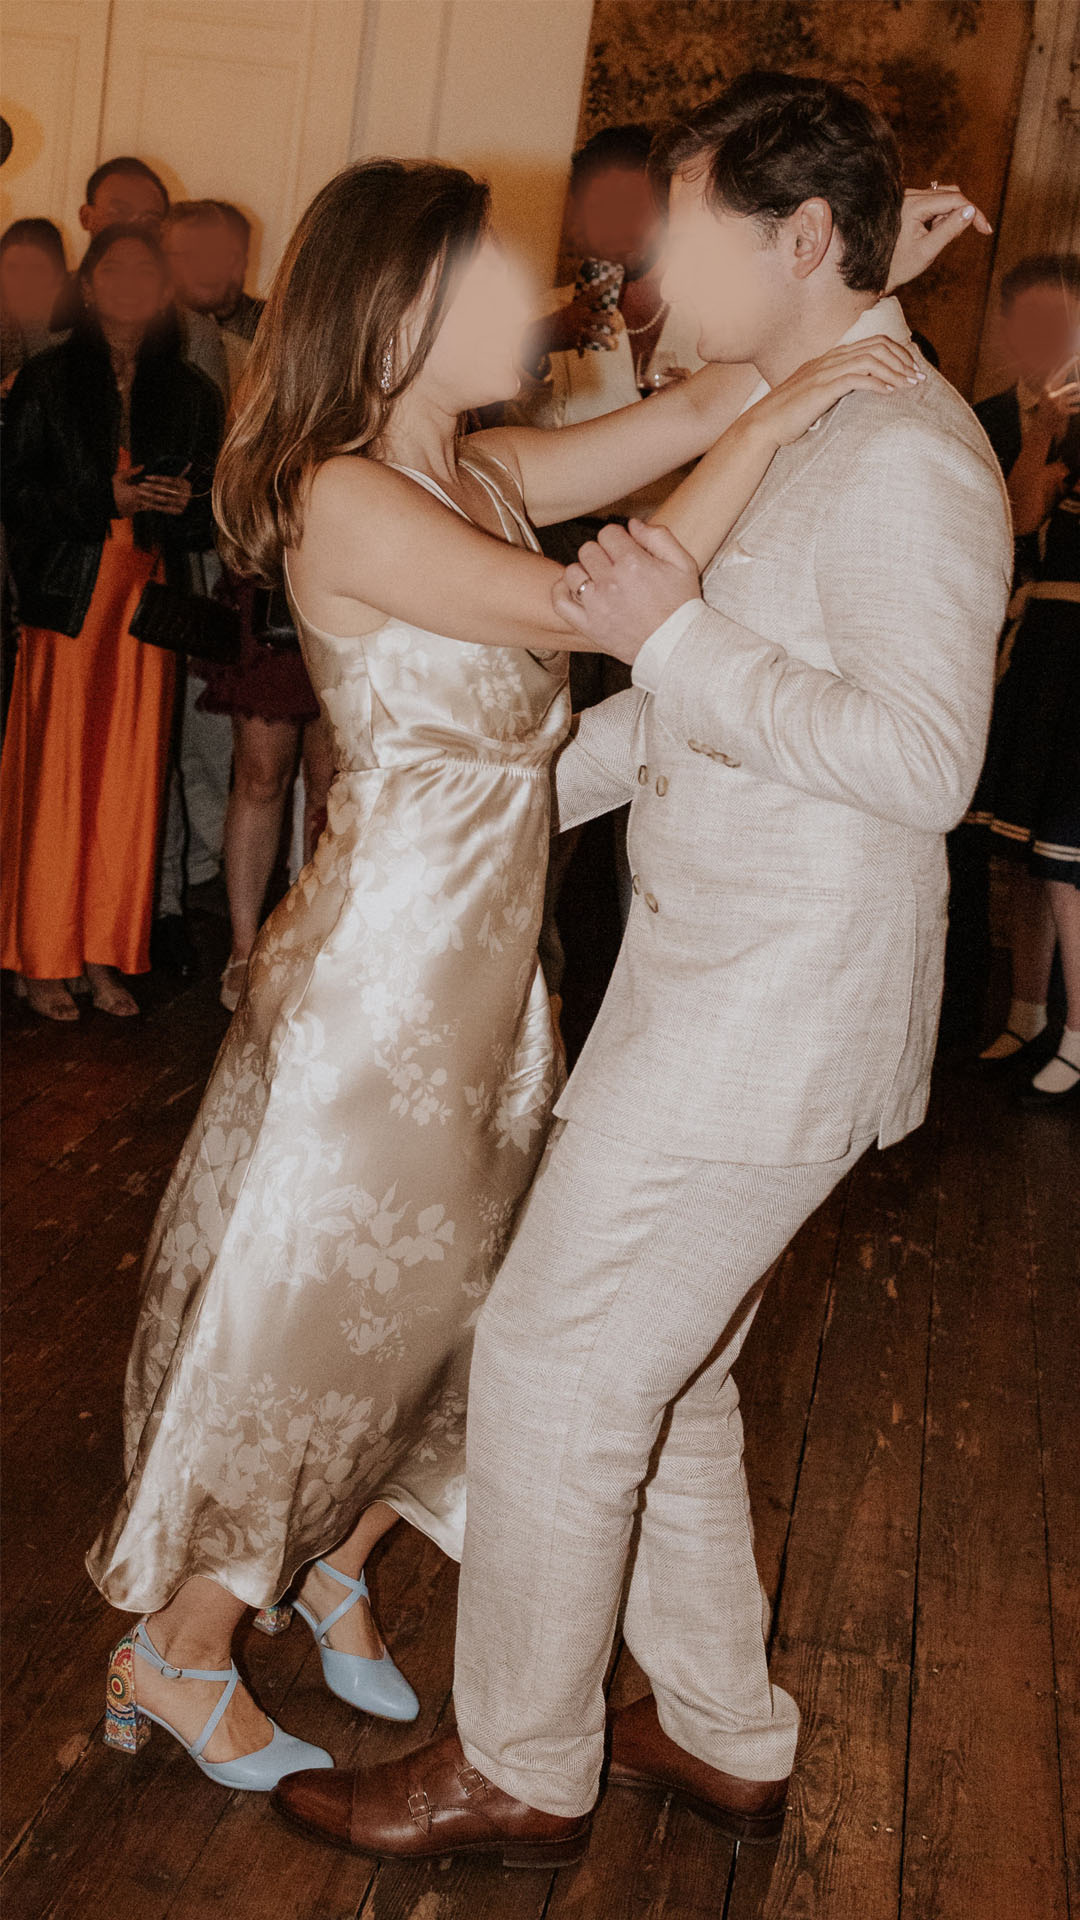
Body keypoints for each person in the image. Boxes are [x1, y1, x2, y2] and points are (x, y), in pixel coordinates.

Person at [84, 153, 924, 1794]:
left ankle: (329, 1566)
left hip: (484, 986)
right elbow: (593, 603)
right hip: (381, 995)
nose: (527, 301)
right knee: (318, 1326)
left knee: (471, 1309)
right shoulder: (344, 494)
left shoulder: (474, 469)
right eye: (484, 278)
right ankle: (175, 1650)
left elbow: (705, 406)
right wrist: (781, 407)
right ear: (396, 308)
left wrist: (864, 290)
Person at [274, 76, 1009, 1867]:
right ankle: (722, 1724)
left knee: (549, 1362)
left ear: (798, 242)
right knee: (668, 1375)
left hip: (775, 1012)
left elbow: (924, 766)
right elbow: (696, 716)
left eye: (685, 231)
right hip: (708, 992)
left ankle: (519, 1764)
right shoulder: (822, 409)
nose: (649, 265)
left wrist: (665, 638)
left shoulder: (905, 452)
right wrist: (506, 791)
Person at [1, 224, 223, 1020]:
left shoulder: (191, 392)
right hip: (67, 605)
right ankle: (39, 955)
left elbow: (212, 516)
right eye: (112, 269)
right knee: (58, 780)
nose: (129, 282)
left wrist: (184, 506)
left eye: (146, 271)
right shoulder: (45, 381)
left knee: (131, 784)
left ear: (165, 291)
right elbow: (13, 494)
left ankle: (102, 953)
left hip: (147, 605)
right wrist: (110, 501)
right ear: (86, 286)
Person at [945, 255, 1080, 1058]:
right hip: (983, 653)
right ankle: (972, 1020)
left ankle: (1064, 1023)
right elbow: (1014, 522)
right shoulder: (973, 421)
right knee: (974, 836)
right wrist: (1040, 437)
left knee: (1065, 840)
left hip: (1064, 651)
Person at [0, 218, 67, 384]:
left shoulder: (76, 331)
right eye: (12, 268)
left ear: (58, 275)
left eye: (36, 270)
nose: (22, 282)